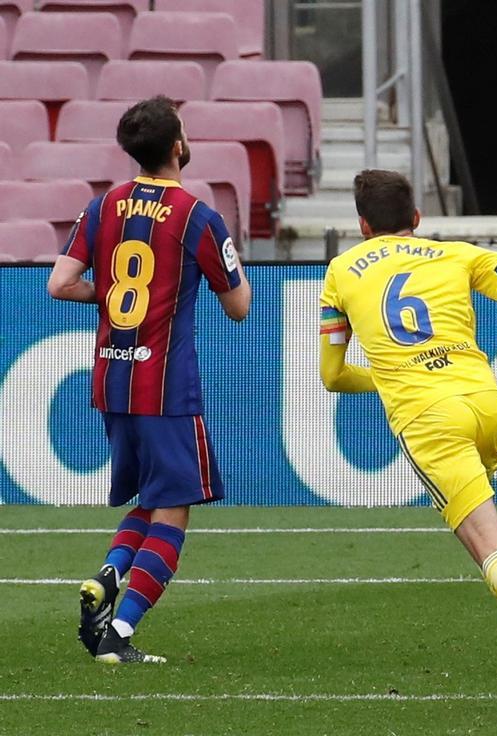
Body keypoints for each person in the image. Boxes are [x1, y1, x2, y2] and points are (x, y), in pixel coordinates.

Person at [319, 169, 497, 705]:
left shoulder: (340, 270)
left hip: (430, 418)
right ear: (418, 220)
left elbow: (332, 376)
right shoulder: (457, 253)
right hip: (486, 404)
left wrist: (396, 374)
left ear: (362, 225)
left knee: (486, 546)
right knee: (487, 537)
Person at [48, 95, 251, 663]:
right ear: (178, 146)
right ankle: (120, 634)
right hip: (165, 382)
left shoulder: (103, 205)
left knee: (154, 495)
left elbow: (60, 284)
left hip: (112, 378)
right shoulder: (196, 215)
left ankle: (108, 578)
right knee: (177, 503)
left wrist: (109, 297)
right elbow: (239, 307)